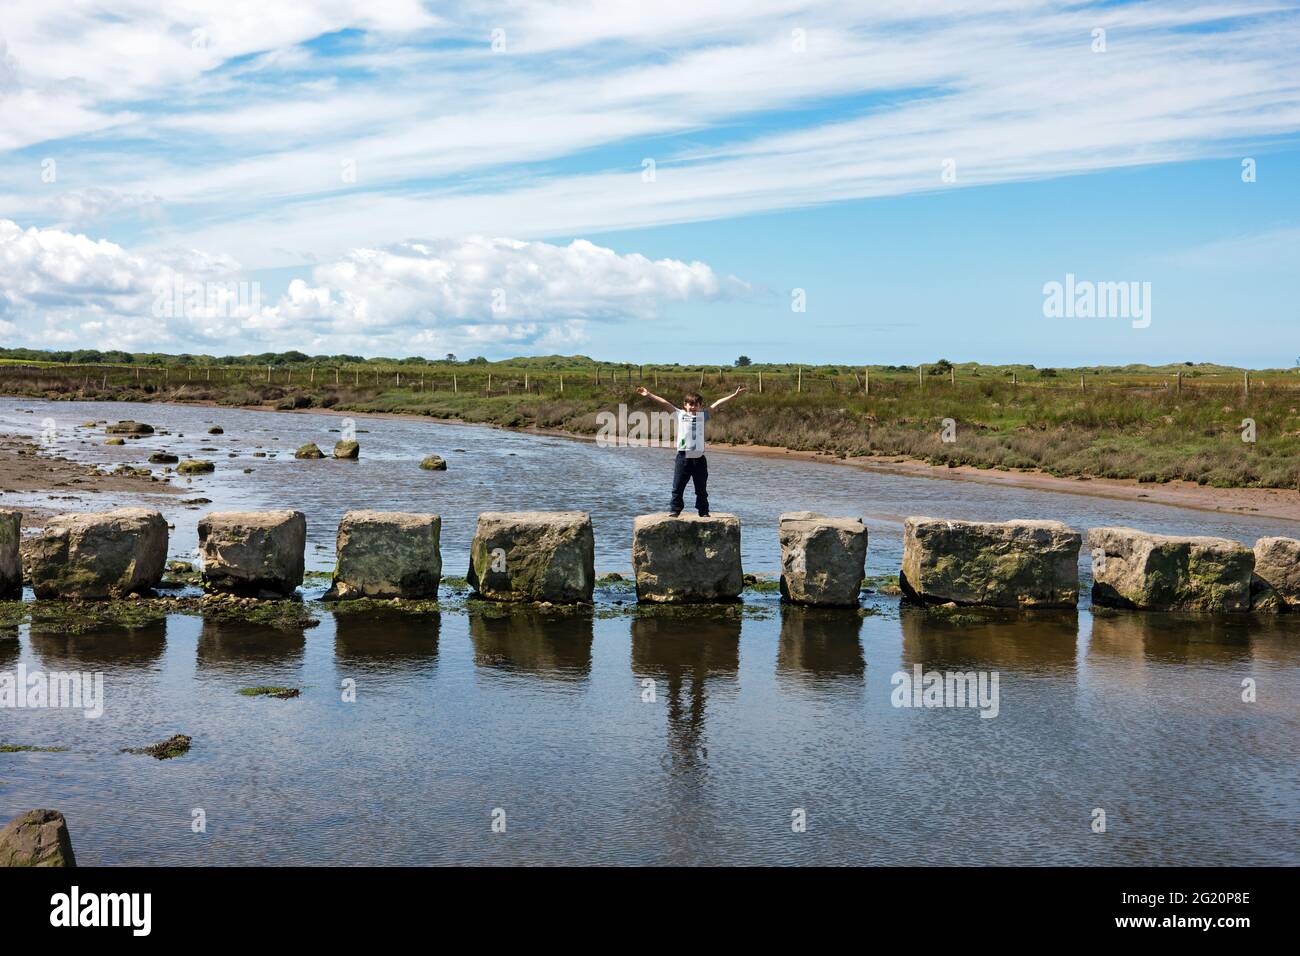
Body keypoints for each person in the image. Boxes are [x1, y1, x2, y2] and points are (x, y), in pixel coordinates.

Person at [635, 383, 748, 516]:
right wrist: (648, 394)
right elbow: (665, 403)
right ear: (685, 405)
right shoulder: (680, 414)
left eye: (696, 405)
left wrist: (734, 396)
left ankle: (703, 512)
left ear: (700, 406)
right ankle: (675, 510)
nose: (693, 407)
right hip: (683, 457)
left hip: (699, 458)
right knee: (677, 487)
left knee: (701, 489)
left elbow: (717, 403)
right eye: (690, 404)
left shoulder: (703, 415)